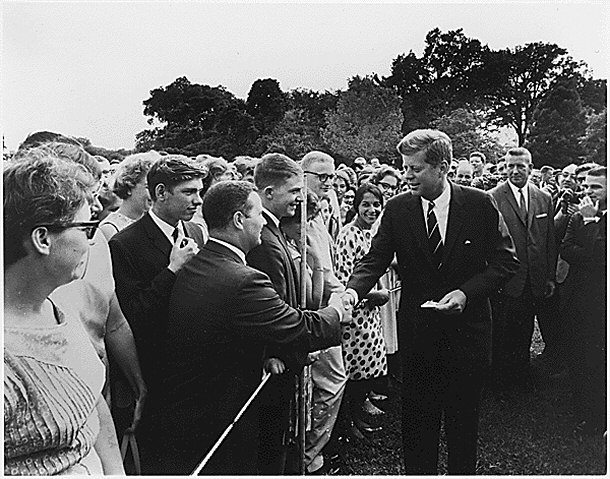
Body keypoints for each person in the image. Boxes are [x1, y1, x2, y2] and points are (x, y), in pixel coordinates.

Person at [342, 129, 518, 474]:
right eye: (404, 168)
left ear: (443, 167)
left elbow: (506, 261)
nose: (406, 177)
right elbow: (374, 258)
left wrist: (466, 293)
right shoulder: (397, 209)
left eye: (415, 169)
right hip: (419, 336)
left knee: (463, 427)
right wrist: (352, 291)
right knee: (418, 427)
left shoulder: (480, 204)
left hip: (468, 336)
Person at [154, 181, 348, 475]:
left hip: (190, 409)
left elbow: (231, 329)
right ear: (238, 220)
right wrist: (336, 309)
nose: (263, 222)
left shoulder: (198, 263)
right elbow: (296, 326)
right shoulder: (244, 280)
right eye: (259, 214)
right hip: (222, 415)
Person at [4, 150, 124, 475]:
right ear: (42, 238)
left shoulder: (53, 307)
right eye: (86, 229)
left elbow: (89, 400)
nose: (92, 242)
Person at [109, 155, 206, 473]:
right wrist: (172, 269)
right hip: (157, 374)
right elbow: (133, 315)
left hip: (195, 369)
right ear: (161, 192)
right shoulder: (125, 245)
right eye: (189, 192)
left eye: (199, 191)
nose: (198, 200)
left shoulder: (194, 231)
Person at [245, 153, 304, 474]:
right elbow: (268, 305)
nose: (300, 197)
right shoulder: (264, 239)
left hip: (284, 356)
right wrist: (273, 353)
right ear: (268, 193)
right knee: (270, 443)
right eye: (293, 190)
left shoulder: (276, 230)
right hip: (274, 363)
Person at [489, 147, 557, 388]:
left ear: (531, 167)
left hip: (534, 278)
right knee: (503, 330)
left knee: (526, 327)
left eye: (520, 166)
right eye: (510, 165)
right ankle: (501, 378)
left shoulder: (543, 198)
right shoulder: (492, 197)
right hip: (506, 279)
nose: (515, 170)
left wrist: (549, 277)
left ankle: (522, 372)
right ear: (504, 167)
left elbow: (548, 239)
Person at [301, 151, 348, 474]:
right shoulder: (298, 216)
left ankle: (312, 451)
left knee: (329, 383)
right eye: (322, 177)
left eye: (331, 177)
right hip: (313, 312)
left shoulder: (320, 212)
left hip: (329, 305)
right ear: (302, 175)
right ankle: (309, 456)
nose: (329, 183)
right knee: (330, 383)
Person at [334, 184, 389, 437]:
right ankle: (348, 423)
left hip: (369, 314)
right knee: (353, 372)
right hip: (353, 315)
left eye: (376, 204)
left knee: (366, 370)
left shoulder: (371, 233)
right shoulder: (348, 235)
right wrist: (373, 295)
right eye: (366, 204)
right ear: (356, 206)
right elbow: (345, 280)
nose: (372, 209)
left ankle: (356, 416)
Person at [561, 166, 606, 435]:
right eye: (587, 186)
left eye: (596, 187)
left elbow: (603, 256)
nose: (589, 192)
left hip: (603, 301)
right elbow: (566, 249)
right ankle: (585, 412)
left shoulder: (586, 218)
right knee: (581, 357)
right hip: (578, 299)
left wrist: (590, 226)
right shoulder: (578, 215)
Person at [100, 152, 158, 240]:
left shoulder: (152, 222)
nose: (155, 194)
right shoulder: (110, 229)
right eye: (147, 187)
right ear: (129, 186)